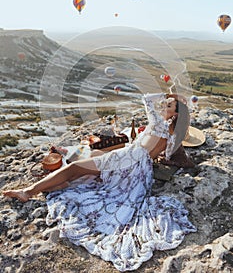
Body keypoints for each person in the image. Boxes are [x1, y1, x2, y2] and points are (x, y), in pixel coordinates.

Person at [3, 93, 196, 272]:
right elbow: (165, 154)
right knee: (95, 157)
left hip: (129, 159)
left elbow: (146, 99)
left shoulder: (160, 124)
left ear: (175, 114)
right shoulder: (172, 135)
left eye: (168, 106)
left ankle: (28, 191)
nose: (163, 106)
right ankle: (63, 183)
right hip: (140, 170)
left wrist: (167, 95)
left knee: (75, 168)